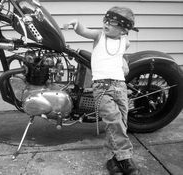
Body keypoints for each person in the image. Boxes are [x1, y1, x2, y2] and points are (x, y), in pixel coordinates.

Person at [65, 6, 141, 175]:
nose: (106, 24)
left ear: (123, 29)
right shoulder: (99, 36)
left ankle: (112, 158)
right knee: (113, 120)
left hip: (120, 86)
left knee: (121, 123)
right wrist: (76, 23)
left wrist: (123, 61)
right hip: (102, 87)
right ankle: (125, 157)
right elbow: (84, 31)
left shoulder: (125, 41)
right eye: (105, 20)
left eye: (112, 23)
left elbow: (118, 54)